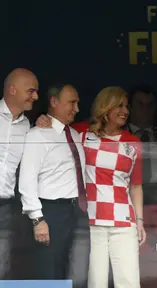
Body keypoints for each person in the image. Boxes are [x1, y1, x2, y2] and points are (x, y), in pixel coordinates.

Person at [36, 86, 146, 287]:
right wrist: (43, 120)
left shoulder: (133, 142)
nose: (126, 111)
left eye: (127, 106)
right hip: (90, 221)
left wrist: (139, 221)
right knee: (96, 282)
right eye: (119, 106)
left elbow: (136, 186)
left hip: (123, 220)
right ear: (105, 108)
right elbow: (56, 129)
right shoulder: (81, 133)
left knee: (129, 281)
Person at [18, 83, 87, 280]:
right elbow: (27, 180)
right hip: (50, 212)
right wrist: (38, 219)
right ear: (54, 102)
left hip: (75, 211)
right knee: (49, 269)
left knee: (67, 267)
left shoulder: (74, 134)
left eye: (78, 103)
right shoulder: (37, 135)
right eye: (72, 103)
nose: (77, 109)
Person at [0, 68, 38, 278]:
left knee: (2, 266)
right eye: (31, 91)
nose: (36, 96)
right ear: (13, 90)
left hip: (5, 207)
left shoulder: (28, 127)